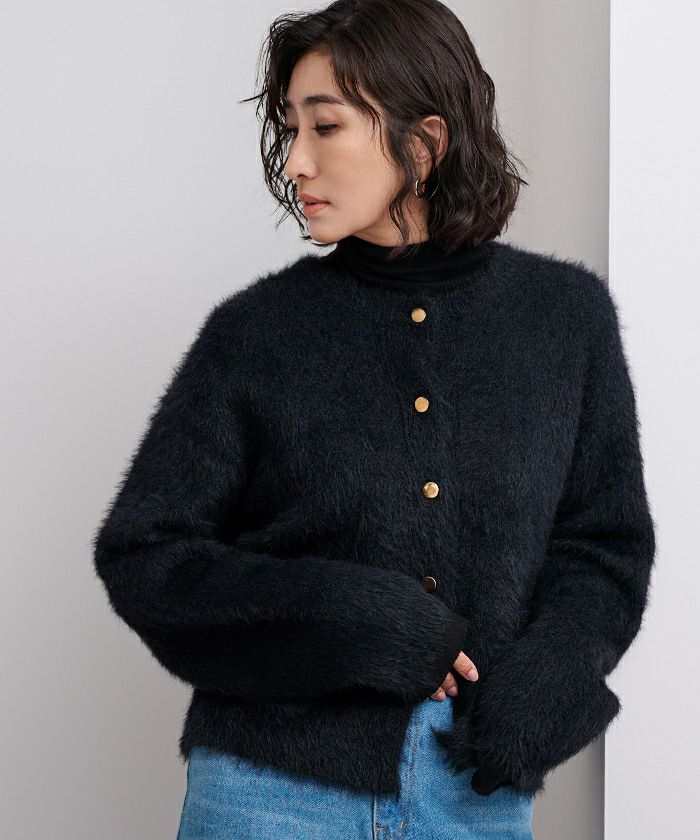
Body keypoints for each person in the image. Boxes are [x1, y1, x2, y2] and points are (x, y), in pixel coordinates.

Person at [92, 1, 656, 838]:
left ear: (423, 143)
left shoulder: (564, 319)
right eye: (292, 128)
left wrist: (542, 690)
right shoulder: (255, 333)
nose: (296, 161)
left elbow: (604, 546)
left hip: (475, 790)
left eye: (325, 127)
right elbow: (146, 554)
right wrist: (354, 619)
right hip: (270, 791)